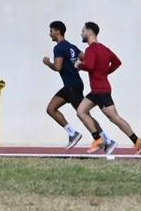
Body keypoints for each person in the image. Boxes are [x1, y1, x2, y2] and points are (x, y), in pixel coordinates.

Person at [75, 22, 141, 155]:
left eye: (83, 31)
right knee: (81, 111)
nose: (81, 33)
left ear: (90, 32)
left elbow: (90, 66)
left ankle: (137, 141)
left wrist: (79, 65)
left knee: (114, 118)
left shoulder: (91, 49)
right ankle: (98, 139)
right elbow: (117, 62)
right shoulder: (104, 49)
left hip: (100, 90)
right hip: (98, 90)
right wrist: (105, 72)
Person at [42, 20, 109, 149]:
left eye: (51, 31)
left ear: (58, 32)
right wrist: (78, 64)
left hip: (72, 86)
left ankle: (106, 139)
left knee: (84, 114)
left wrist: (47, 62)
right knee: (51, 109)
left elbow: (57, 67)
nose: (49, 34)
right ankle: (73, 134)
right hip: (72, 85)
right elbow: (84, 57)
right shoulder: (71, 46)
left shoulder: (58, 47)